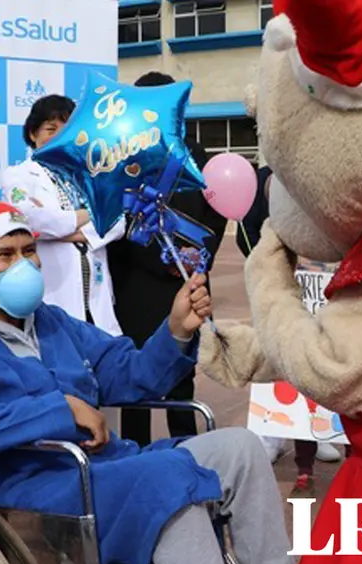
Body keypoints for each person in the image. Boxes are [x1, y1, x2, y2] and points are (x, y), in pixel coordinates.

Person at [0, 193, 293, 564]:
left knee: (241, 449)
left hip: (103, 468)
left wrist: (177, 329)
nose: (23, 264)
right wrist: (61, 410)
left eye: (29, 250)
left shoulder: (52, 322)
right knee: (168, 483)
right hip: (27, 484)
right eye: (4, 256)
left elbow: (130, 374)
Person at [112, 71, 228, 447]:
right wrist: (160, 258)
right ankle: (135, 459)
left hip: (185, 281)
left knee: (182, 379)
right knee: (136, 381)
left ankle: (187, 455)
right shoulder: (121, 156)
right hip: (135, 287)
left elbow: (217, 213)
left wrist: (197, 258)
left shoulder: (193, 153)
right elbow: (113, 223)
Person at [235, 167, 344, 490]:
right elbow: (249, 232)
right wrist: (272, 268)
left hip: (331, 293)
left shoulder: (331, 181)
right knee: (289, 373)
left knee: (334, 372)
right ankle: (291, 453)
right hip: (289, 295)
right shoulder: (264, 182)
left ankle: (330, 440)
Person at [2, 94, 123, 335]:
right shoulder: (18, 175)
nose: (59, 135)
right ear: (33, 134)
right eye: (51, 129)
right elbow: (31, 219)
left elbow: (117, 222)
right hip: (55, 294)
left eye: (67, 129)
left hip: (96, 298)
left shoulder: (90, 175)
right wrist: (90, 214)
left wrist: (59, 230)